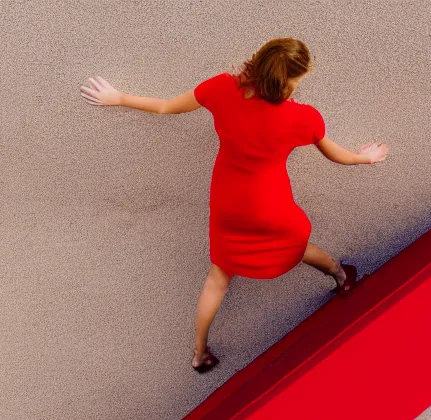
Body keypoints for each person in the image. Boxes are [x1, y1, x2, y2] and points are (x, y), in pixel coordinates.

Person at [80, 38, 389, 374]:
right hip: (271, 207)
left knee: (218, 276)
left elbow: (167, 107)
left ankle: (199, 352)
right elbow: (336, 155)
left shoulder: (222, 88)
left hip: (230, 202)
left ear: (258, 61)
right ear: (290, 82)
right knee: (297, 246)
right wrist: (365, 158)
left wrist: (119, 98)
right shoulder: (303, 118)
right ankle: (341, 277)